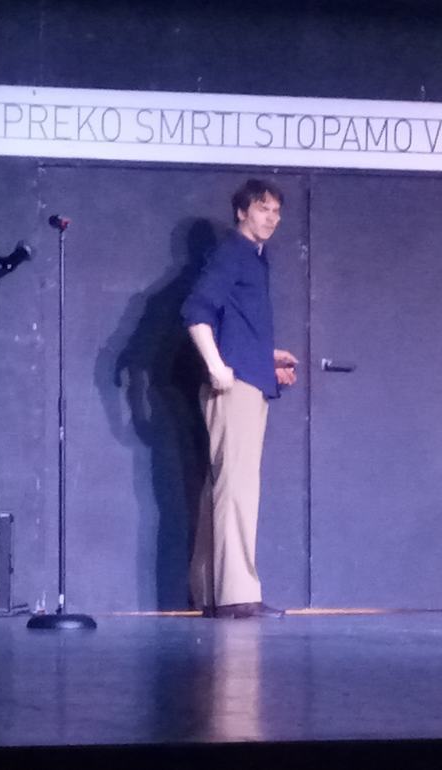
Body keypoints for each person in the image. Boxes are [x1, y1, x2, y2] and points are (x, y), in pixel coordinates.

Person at [180, 178, 298, 619]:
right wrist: (216, 365)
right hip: (235, 387)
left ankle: (212, 592)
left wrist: (265, 359)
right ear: (242, 211)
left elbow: (234, 322)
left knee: (225, 485)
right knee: (238, 487)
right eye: (264, 209)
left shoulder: (254, 258)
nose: (272, 218)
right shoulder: (233, 252)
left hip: (248, 377)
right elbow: (196, 310)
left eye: (276, 212)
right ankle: (237, 594)